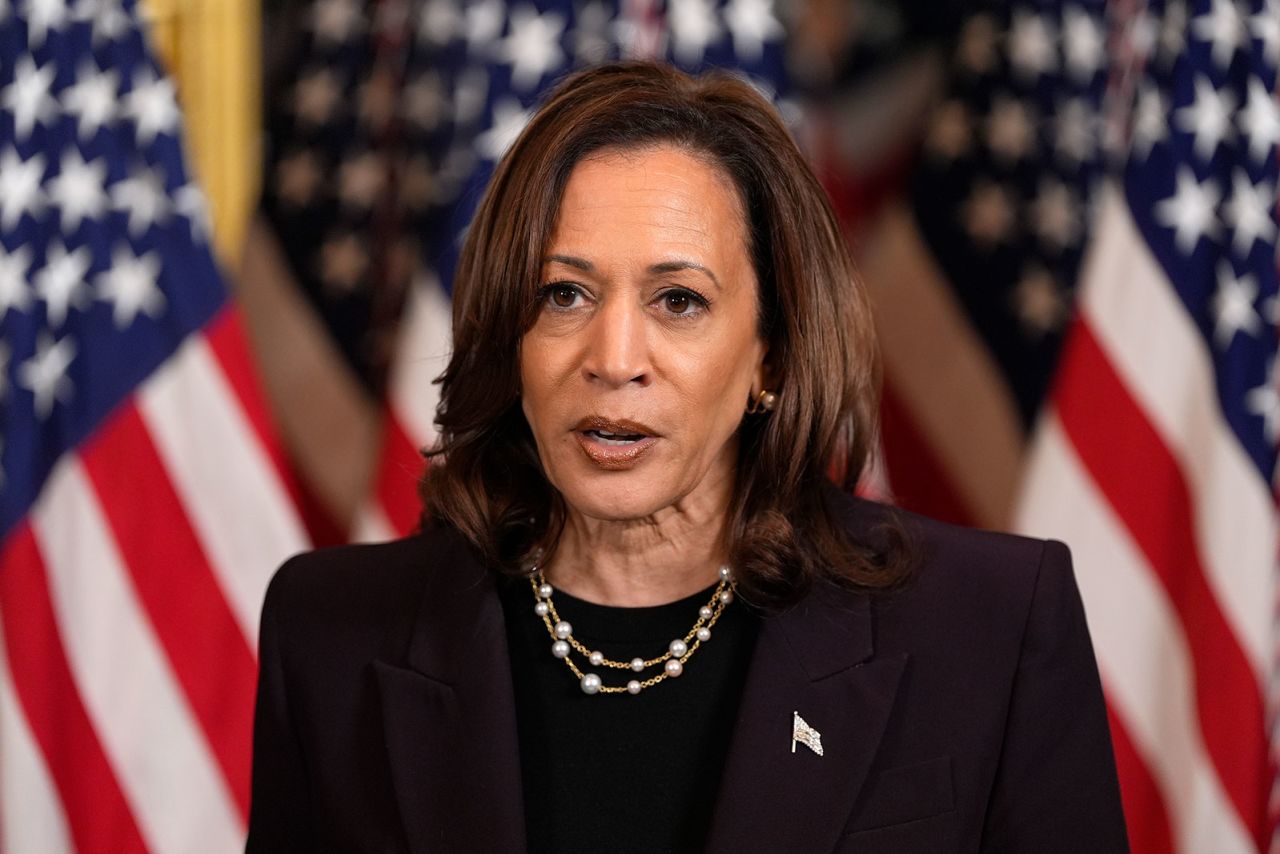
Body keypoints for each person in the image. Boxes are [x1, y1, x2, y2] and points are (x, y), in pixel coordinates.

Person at [246, 61, 1128, 853]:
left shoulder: (991, 626)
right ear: (508, 338)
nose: (614, 356)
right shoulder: (331, 632)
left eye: (678, 300)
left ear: (771, 356)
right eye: (563, 294)